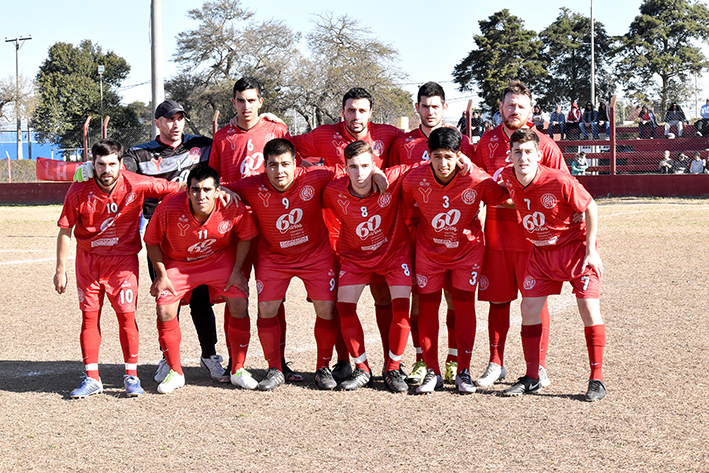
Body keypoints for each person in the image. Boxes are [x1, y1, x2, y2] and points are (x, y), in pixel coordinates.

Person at [291, 87, 404, 382]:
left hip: (378, 232)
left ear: (371, 112)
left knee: (384, 297)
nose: (356, 116)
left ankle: (392, 364)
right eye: (350, 110)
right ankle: (344, 360)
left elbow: (415, 155)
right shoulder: (322, 134)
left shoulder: (389, 135)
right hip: (335, 232)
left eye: (362, 110)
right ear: (342, 111)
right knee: (337, 302)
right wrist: (274, 123)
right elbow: (288, 149)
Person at [54, 139, 182, 398]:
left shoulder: (136, 183)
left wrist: (160, 218)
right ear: (93, 164)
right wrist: (60, 269)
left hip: (123, 264)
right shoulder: (78, 190)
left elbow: (175, 189)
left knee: (126, 317)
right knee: (89, 318)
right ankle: (92, 379)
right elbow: (65, 230)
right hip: (88, 263)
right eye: (100, 164)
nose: (106, 169)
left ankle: (131, 376)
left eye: (112, 164)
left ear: (121, 165)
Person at [227, 139, 348, 391]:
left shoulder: (315, 176)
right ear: (265, 166)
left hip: (315, 255)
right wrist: (222, 190)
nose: (279, 171)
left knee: (326, 309)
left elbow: (347, 170)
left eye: (285, 164)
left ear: (296, 164)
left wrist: (378, 172)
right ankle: (275, 368)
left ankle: (323, 367)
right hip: (274, 258)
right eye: (272, 165)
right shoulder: (251, 185)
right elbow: (221, 187)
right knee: (267, 309)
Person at [474, 80, 569, 389]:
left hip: (534, 242)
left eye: (521, 105)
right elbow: (473, 186)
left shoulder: (546, 145)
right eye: (510, 104)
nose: (515, 110)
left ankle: (538, 367)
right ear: (501, 108)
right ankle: (496, 364)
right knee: (497, 303)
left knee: (535, 303)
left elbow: (566, 190)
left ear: (531, 109)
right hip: (497, 238)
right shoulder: (486, 143)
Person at [122, 100, 226, 383]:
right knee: (167, 298)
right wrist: (169, 188)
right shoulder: (140, 153)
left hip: (194, 233)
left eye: (180, 118)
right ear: (157, 122)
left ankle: (209, 355)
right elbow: (125, 176)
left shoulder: (202, 145)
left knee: (202, 299)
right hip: (159, 233)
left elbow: (233, 143)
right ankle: (169, 358)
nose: (176, 123)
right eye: (169, 119)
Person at [501, 128, 606, 402]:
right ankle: (533, 377)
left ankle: (597, 379)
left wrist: (591, 250)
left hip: (574, 250)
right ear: (509, 156)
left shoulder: (560, 180)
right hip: (541, 254)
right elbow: (511, 195)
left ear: (539, 155)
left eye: (528, 152)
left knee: (588, 308)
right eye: (517, 152)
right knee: (529, 309)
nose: (522, 157)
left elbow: (590, 207)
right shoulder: (507, 177)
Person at [402, 127, 509, 394]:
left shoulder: (477, 179)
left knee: (463, 307)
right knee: (427, 307)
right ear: (428, 156)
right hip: (429, 253)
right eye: (437, 156)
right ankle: (432, 372)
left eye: (449, 156)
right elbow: (401, 207)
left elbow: (507, 196)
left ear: (459, 156)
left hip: (467, 254)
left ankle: (464, 371)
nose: (443, 163)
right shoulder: (414, 179)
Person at [209, 77, 300, 382]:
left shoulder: (277, 130)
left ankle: (280, 362)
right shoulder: (222, 137)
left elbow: (293, 169)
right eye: (240, 100)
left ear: (261, 102)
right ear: (232, 102)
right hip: (234, 227)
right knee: (235, 292)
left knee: (273, 297)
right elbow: (214, 181)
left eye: (252, 100)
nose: (246, 106)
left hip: (271, 224)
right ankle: (236, 364)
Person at [388, 81, 475, 385]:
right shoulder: (403, 143)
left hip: (454, 232)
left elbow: (475, 182)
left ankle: (452, 359)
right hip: (414, 230)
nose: (429, 111)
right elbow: (394, 184)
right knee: (419, 298)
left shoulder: (460, 142)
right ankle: (421, 360)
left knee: (454, 298)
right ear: (417, 108)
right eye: (424, 106)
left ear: (444, 108)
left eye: (435, 106)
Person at [144, 166, 258, 393]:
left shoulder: (231, 206)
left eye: (207, 189)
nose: (201, 195)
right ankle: (175, 372)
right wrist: (161, 274)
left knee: (239, 302)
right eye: (195, 189)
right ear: (187, 191)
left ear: (218, 191)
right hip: (178, 263)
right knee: (165, 309)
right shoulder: (168, 208)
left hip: (217, 260)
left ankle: (237, 369)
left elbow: (246, 236)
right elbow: (151, 240)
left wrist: (237, 271)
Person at [322, 141, 413, 392]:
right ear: (345, 168)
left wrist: (465, 162)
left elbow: (429, 164)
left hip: (394, 254)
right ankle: (362, 368)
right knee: (344, 307)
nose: (360, 173)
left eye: (365, 166)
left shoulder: (392, 178)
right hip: (354, 257)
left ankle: (393, 368)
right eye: (353, 167)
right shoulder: (333, 190)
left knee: (401, 308)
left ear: (375, 165)